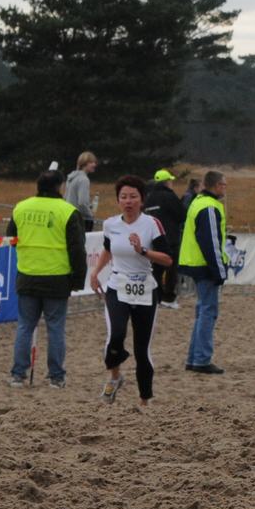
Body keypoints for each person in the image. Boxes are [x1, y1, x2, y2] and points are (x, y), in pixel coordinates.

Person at [87, 175, 173, 409]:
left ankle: (145, 400)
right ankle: (115, 377)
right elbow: (108, 249)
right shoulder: (110, 225)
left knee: (141, 349)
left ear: (142, 200)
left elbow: (167, 259)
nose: (128, 201)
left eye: (133, 197)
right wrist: (96, 272)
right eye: (123, 197)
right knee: (115, 336)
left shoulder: (151, 224)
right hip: (118, 287)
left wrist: (143, 251)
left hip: (145, 289)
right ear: (118, 201)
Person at [4, 169, 86, 387]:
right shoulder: (68, 211)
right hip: (57, 278)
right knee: (55, 328)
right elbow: (77, 249)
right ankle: (56, 376)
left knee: (25, 326)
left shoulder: (21, 207)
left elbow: (10, 238)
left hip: (27, 275)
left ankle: (18, 374)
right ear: (60, 187)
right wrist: (78, 279)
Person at [179, 170, 231, 373]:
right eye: (224, 184)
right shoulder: (210, 207)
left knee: (202, 311)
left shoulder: (198, 202)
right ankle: (201, 359)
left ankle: (194, 358)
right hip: (204, 267)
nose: (225, 188)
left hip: (196, 264)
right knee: (208, 312)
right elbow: (211, 243)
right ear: (216, 186)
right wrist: (219, 271)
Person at [143, 168, 188, 306]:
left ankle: (156, 296)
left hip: (153, 238)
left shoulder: (149, 198)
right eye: (170, 181)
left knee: (156, 269)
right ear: (167, 182)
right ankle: (168, 298)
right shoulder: (169, 196)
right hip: (170, 238)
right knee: (171, 269)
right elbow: (182, 215)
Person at [63, 151, 98, 229]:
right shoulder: (83, 180)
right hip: (80, 220)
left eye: (94, 162)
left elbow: (65, 197)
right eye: (91, 162)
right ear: (84, 164)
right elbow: (82, 203)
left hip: (68, 216)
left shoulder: (71, 178)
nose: (94, 165)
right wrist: (90, 215)